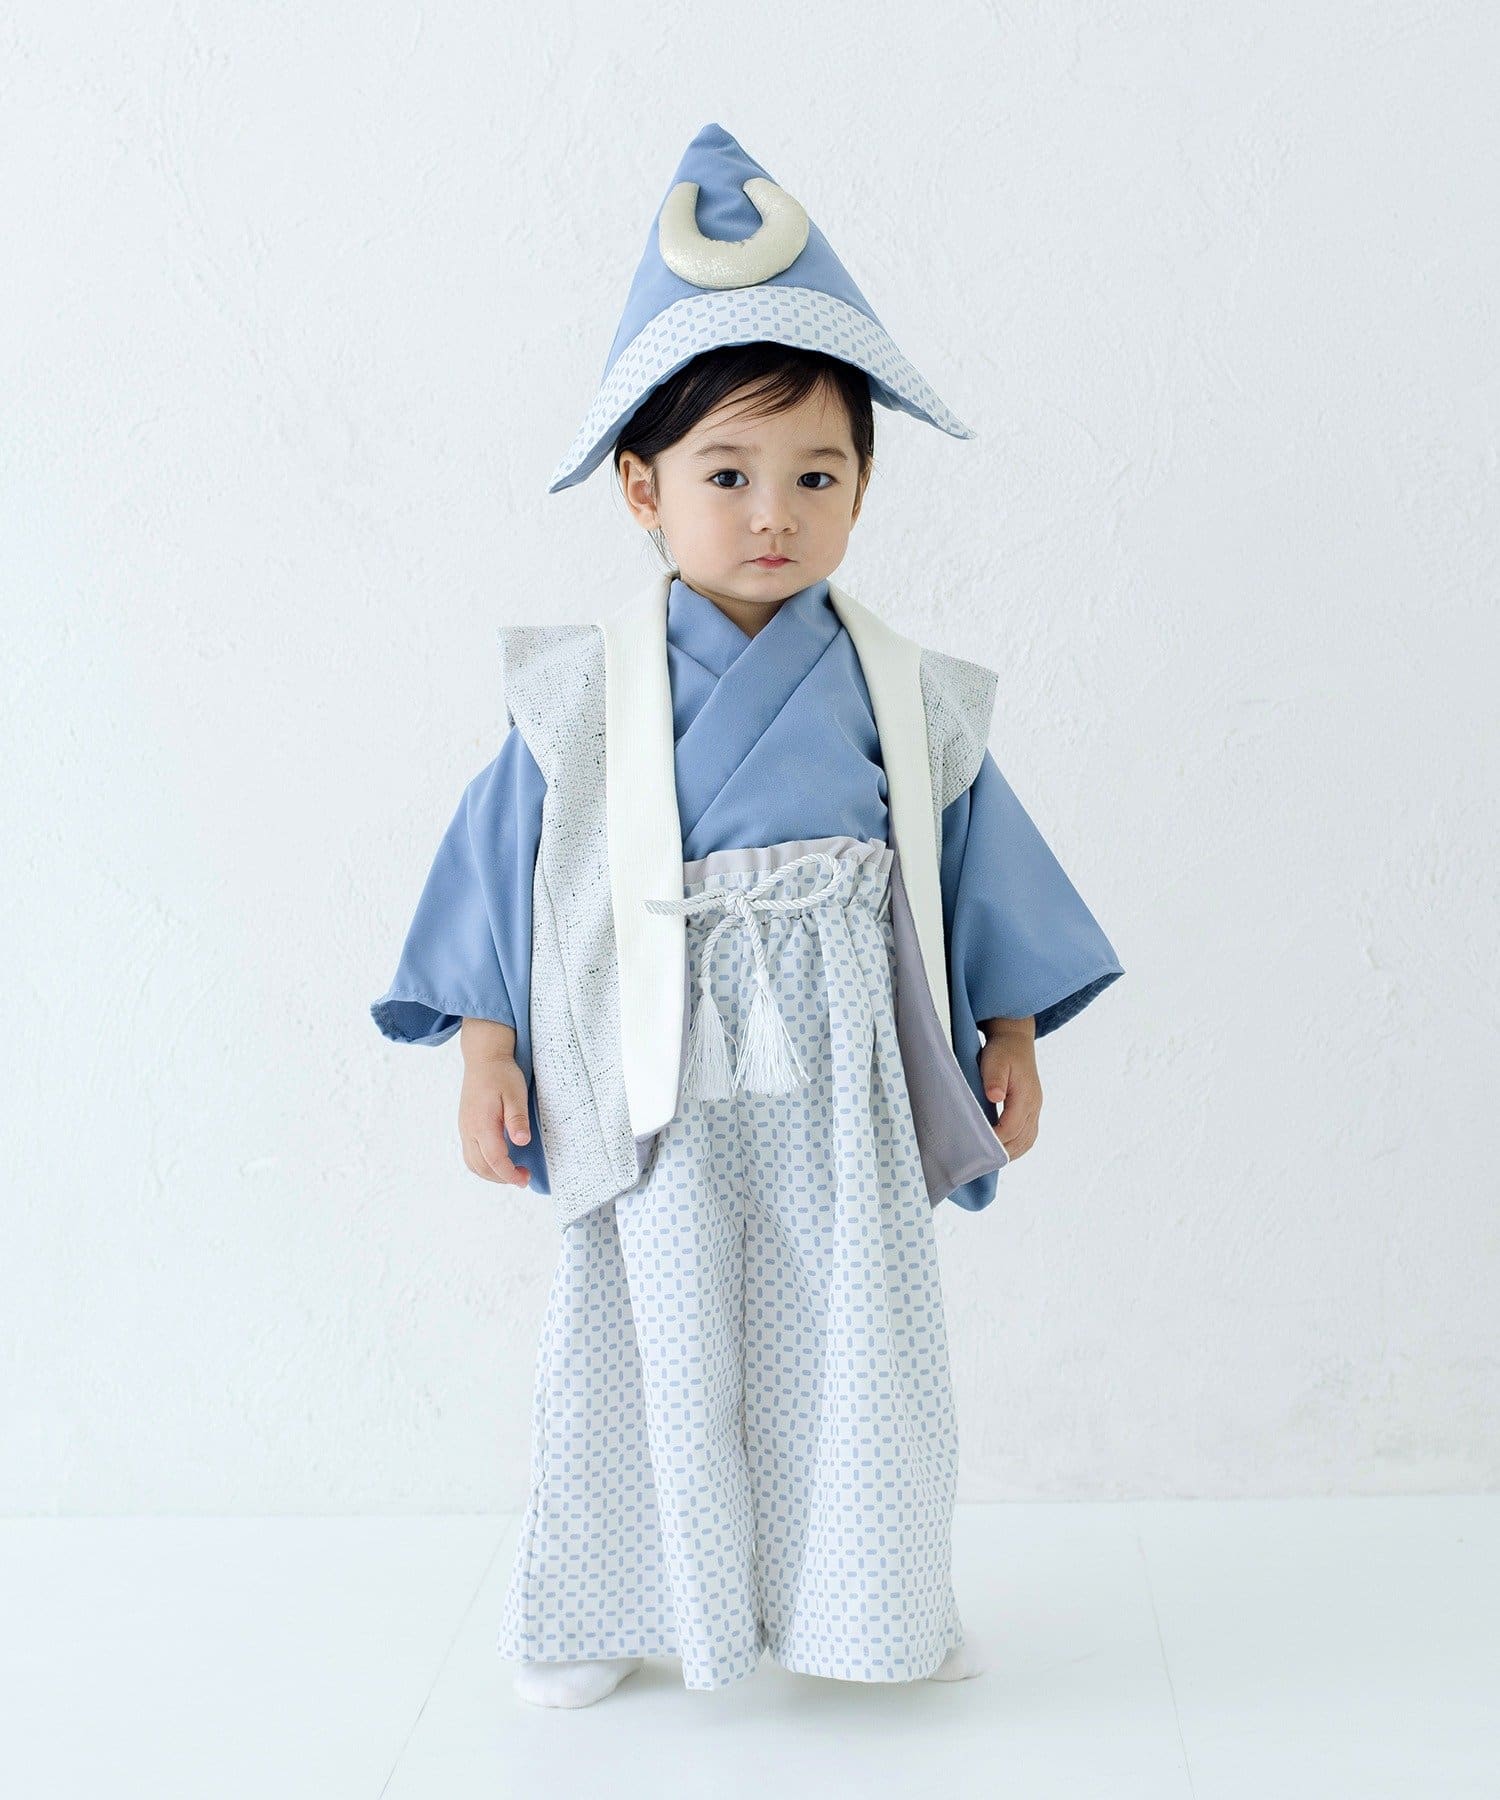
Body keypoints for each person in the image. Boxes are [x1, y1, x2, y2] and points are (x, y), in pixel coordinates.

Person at [371, 123, 1124, 1709]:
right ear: (642, 488)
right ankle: (605, 1607)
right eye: (727, 473)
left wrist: (1008, 1034)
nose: (773, 511)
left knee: (862, 1343)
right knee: (639, 1332)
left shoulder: (906, 695)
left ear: (862, 488)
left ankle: (875, 1603)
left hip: (845, 1085)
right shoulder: (577, 701)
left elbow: (979, 867)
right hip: (658, 1073)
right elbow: (501, 874)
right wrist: (487, 1050)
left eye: (816, 476)